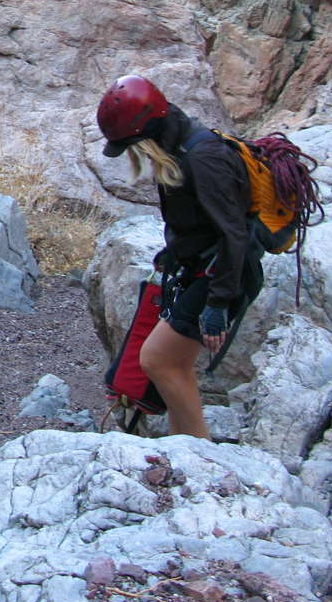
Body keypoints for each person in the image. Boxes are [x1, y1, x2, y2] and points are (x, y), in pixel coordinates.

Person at [97, 75, 261, 439]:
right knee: (175, 365)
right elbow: (201, 223)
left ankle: (200, 452)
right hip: (201, 268)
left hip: (222, 274)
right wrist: (174, 253)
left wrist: (217, 304)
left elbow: (234, 234)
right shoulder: (179, 148)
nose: (135, 153)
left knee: (158, 359)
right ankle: (183, 448)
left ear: (147, 133)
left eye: (133, 145)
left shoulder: (203, 159)